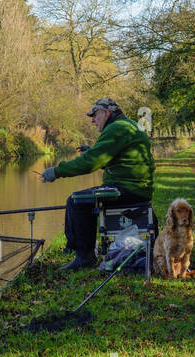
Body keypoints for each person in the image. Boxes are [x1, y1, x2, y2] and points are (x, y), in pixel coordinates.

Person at [42, 98, 154, 270]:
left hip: (127, 189)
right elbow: (119, 161)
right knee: (78, 199)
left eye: (95, 115)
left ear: (106, 113)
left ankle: (84, 257)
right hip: (137, 187)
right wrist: (93, 151)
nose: (93, 120)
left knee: (77, 200)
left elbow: (89, 163)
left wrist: (57, 171)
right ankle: (73, 249)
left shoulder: (116, 128)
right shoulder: (129, 125)